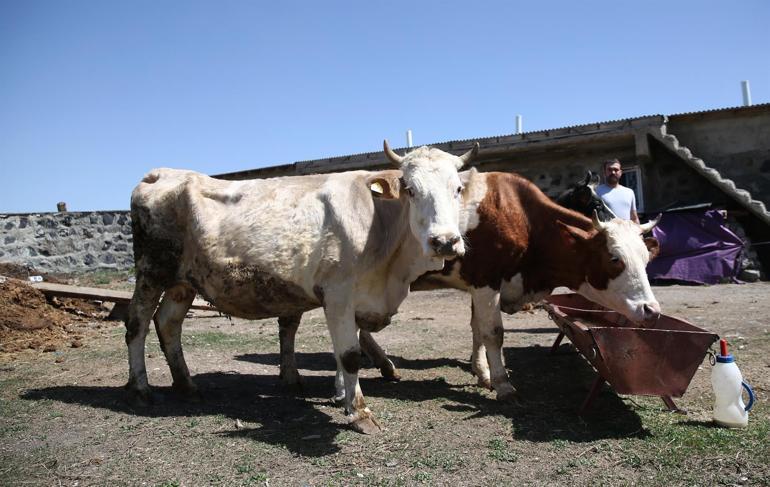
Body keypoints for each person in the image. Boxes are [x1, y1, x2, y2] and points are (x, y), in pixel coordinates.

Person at [595, 158, 639, 223]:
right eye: (609, 170)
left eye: (616, 170)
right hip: (606, 232)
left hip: (626, 232)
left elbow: (634, 218)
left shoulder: (629, 192)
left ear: (620, 173)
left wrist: (639, 232)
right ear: (604, 172)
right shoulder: (596, 191)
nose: (613, 172)